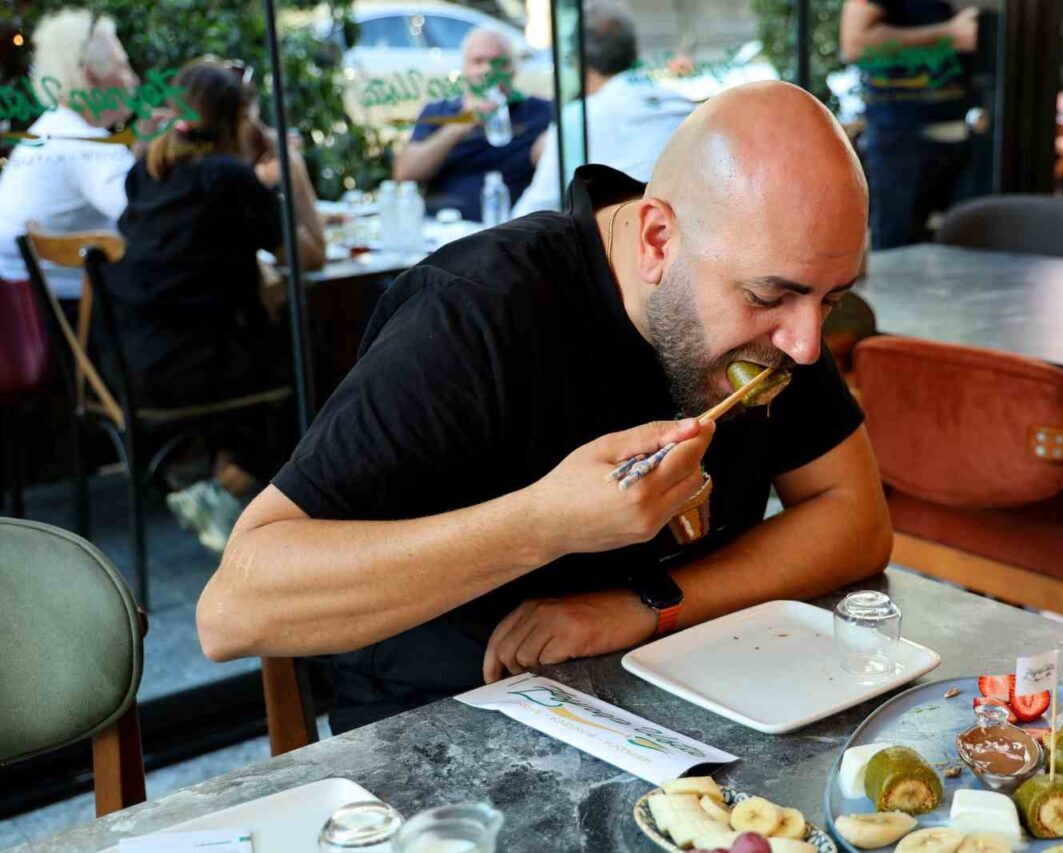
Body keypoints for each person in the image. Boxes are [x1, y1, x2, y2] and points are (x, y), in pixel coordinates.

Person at [197, 81, 892, 734]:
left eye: (830, 299)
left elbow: (855, 518)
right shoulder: (471, 314)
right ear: (658, 240)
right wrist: (542, 524)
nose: (806, 345)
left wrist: (646, 605)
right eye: (769, 297)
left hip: (686, 693)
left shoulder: (778, 306)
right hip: (450, 727)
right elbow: (232, 611)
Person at [102, 59, 326, 552]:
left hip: (131, 363)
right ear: (238, 119)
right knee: (311, 337)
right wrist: (293, 168)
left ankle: (218, 477)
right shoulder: (228, 177)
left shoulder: (148, 172)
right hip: (196, 368)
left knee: (264, 327)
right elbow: (312, 254)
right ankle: (240, 483)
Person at [0, 9, 139, 302]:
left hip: (24, 313)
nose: (134, 80)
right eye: (124, 66)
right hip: (67, 315)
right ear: (91, 75)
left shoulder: (54, 128)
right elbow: (152, 218)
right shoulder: (87, 143)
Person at [510, 1, 695, 217]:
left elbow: (532, 211)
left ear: (576, 60)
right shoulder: (680, 105)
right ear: (634, 51)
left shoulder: (579, 118)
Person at [840, 0, 978, 249]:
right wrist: (947, 35)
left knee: (966, 246)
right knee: (897, 250)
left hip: (965, 133)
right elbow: (855, 44)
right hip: (900, 138)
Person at [392, 28, 553, 221]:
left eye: (499, 63)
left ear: (513, 70)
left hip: (513, 228)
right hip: (445, 225)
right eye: (478, 61)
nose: (488, 70)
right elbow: (405, 173)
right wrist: (461, 125)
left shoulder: (540, 112)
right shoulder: (438, 112)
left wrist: (547, 148)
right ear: (465, 69)